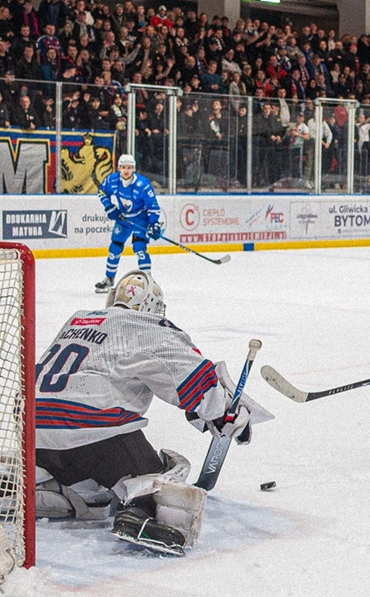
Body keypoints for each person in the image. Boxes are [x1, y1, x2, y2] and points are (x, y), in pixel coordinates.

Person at [33, 271, 267, 554]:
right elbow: (191, 377)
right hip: (93, 439)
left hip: (32, 438)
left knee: (83, 468)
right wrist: (222, 412)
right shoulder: (146, 325)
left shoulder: (77, 319)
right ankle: (140, 512)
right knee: (162, 475)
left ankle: (56, 487)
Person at [94, 154, 163, 293]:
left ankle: (147, 281)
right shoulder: (112, 180)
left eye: (129, 168)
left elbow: (153, 207)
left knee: (139, 248)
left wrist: (154, 224)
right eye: (124, 167)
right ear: (119, 168)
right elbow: (101, 192)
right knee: (115, 246)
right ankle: (109, 278)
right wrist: (110, 207)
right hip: (124, 218)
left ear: (134, 169)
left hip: (140, 218)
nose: (126, 170)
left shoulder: (142, 184)